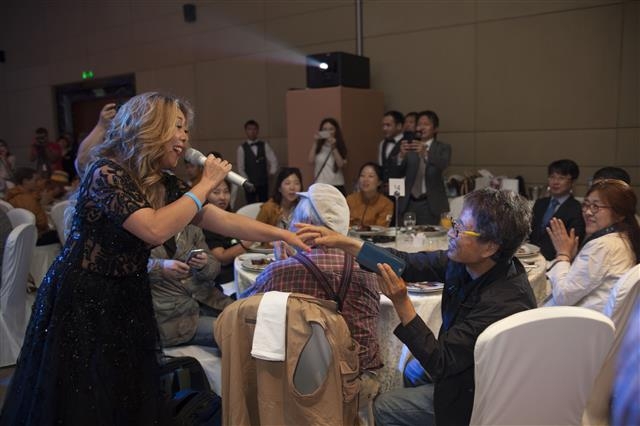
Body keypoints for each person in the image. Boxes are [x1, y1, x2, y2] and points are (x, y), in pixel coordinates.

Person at [0, 92, 310, 425]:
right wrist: (205, 183)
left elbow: (214, 217)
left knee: (126, 392)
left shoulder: (162, 181)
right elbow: (153, 229)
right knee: (84, 396)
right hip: (85, 298)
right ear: (149, 127)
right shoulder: (106, 172)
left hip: (128, 294)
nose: (185, 137)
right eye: (177, 126)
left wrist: (280, 233)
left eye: (186, 129)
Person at [296, 188, 536, 425]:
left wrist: (402, 302)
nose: (450, 233)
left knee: (382, 407)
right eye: (455, 223)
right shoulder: (470, 263)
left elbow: (440, 362)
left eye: (460, 229)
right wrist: (343, 242)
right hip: (465, 366)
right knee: (412, 370)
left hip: (479, 393)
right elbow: (406, 264)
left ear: (490, 247)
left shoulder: (505, 302)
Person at [243, 183, 382, 413]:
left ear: (303, 223)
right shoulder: (367, 272)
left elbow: (242, 312)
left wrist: (279, 264)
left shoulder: (280, 272)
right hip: (356, 385)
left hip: (297, 386)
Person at [544, 179, 639, 313]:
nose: (588, 212)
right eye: (586, 205)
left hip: (578, 320)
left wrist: (563, 255)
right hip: (592, 316)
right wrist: (572, 259)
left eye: (596, 207)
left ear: (620, 214)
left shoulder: (603, 246)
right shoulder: (624, 237)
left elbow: (563, 297)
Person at [149, 223, 233, 348]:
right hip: (173, 317)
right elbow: (124, 268)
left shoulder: (190, 226)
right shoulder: (138, 229)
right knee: (237, 333)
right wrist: (160, 267)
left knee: (251, 320)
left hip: (209, 299)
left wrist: (204, 264)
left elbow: (214, 268)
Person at [390, 110, 451, 225]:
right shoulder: (409, 146)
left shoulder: (443, 147)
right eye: (419, 124)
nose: (421, 127)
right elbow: (396, 173)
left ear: (435, 129)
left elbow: (443, 164)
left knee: (430, 234)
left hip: (430, 203)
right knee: (407, 234)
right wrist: (400, 156)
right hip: (409, 202)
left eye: (426, 124)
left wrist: (426, 154)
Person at [529, 159, 585, 260]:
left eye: (561, 178)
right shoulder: (540, 203)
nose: (555, 182)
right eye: (552, 177)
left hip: (557, 260)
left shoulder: (577, 209)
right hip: (531, 257)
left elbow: (574, 241)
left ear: (572, 182)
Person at [203, 179, 253, 285]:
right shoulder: (205, 223)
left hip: (239, 271)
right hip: (222, 280)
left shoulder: (230, 216)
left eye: (226, 192)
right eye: (216, 192)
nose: (222, 197)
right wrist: (247, 243)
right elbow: (222, 259)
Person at [4, 167, 59, 245]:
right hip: (34, 238)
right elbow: (41, 223)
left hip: (19, 237)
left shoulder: (13, 194)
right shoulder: (27, 199)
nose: (38, 183)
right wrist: (42, 205)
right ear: (25, 181)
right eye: (35, 180)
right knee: (62, 233)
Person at [236, 119, 279, 203]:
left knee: (264, 203)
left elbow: (273, 160)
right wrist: (246, 181)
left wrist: (271, 173)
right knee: (250, 203)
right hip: (249, 183)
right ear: (246, 131)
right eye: (249, 129)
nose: (252, 132)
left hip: (263, 182)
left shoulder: (264, 145)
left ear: (258, 130)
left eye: (254, 129)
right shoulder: (241, 148)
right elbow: (240, 168)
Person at [346, 162, 393, 228]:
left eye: (371, 176)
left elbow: (381, 228)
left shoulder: (386, 204)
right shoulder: (350, 200)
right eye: (362, 176)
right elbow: (343, 224)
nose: (365, 179)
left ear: (379, 182)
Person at [308, 117, 347, 194]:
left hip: (336, 184)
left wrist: (334, 147)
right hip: (320, 185)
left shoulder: (340, 146)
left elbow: (340, 164)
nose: (328, 132)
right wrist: (315, 142)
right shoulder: (319, 146)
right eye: (325, 129)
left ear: (336, 131)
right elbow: (310, 161)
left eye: (331, 129)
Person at [378, 110, 405, 183]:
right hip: (385, 184)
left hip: (401, 185)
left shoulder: (407, 143)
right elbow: (381, 166)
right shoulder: (382, 143)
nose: (384, 128)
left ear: (399, 126)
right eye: (383, 125)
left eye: (388, 125)